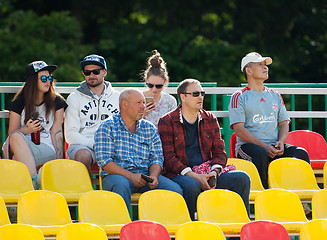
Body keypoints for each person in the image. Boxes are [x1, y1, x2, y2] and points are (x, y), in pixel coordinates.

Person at [158, 79, 250, 220]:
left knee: (241, 178)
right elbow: (168, 158)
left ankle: (239, 231)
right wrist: (194, 176)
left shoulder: (210, 119)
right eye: (195, 94)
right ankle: (190, 228)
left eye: (202, 93)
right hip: (180, 174)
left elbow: (220, 153)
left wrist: (213, 172)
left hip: (207, 171)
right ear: (183, 97)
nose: (200, 97)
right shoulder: (167, 121)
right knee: (192, 185)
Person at [228, 52, 310, 189]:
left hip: (273, 146)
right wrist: (264, 147)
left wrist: (281, 143)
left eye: (265, 64)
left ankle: (302, 200)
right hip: (248, 148)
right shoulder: (239, 96)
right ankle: (265, 196)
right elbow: (239, 130)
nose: (265, 67)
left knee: (300, 153)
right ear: (248, 70)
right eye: (260, 64)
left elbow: (284, 123)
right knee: (260, 153)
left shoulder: (275, 95)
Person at [94, 88, 183, 207]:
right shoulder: (107, 126)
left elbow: (157, 158)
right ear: (124, 104)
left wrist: (154, 177)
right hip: (117, 176)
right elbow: (105, 162)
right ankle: (121, 224)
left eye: (143, 102)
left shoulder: (149, 127)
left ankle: (161, 225)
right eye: (139, 103)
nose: (143, 106)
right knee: (121, 185)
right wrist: (131, 176)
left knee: (174, 190)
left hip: (145, 175)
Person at [3, 61, 67, 188]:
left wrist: (59, 162)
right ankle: (34, 183)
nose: (48, 81)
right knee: (16, 137)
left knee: (17, 159)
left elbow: (57, 133)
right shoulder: (19, 103)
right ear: (32, 81)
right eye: (43, 78)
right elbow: (12, 134)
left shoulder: (57, 102)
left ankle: (29, 188)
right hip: (22, 144)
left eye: (50, 78)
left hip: (46, 147)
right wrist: (27, 130)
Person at [64, 54, 120, 175]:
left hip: (113, 145)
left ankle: (116, 191)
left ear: (104, 72)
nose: (91, 75)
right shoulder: (74, 97)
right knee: (83, 155)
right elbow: (70, 135)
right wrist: (94, 144)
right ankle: (86, 192)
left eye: (96, 71)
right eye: (87, 72)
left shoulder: (118, 97)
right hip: (84, 145)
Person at [142, 50, 177, 127]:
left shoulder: (170, 101)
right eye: (150, 85)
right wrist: (141, 115)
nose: (154, 89)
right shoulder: (138, 98)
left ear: (165, 82)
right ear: (146, 80)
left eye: (158, 86)